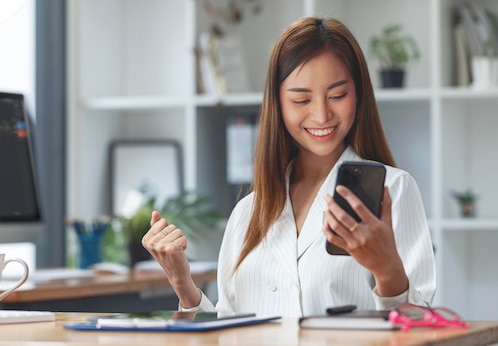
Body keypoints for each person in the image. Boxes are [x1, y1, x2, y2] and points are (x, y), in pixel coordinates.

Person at [142, 16, 436, 317]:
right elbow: (225, 329)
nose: (321, 115)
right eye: (301, 99)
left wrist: (388, 274)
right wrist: (182, 283)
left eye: (337, 95)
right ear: (278, 103)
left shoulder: (393, 190)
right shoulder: (248, 212)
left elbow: (421, 326)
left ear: (358, 95)